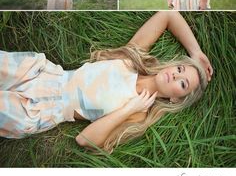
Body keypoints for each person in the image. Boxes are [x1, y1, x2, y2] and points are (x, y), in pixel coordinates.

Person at [0, 11, 213, 148]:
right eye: (180, 68)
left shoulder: (137, 117)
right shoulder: (131, 59)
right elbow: (168, 15)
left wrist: (128, 109)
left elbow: (84, 139)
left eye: (182, 83)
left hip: (42, 111)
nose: (176, 74)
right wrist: (195, 53)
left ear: (176, 100)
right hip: (39, 73)